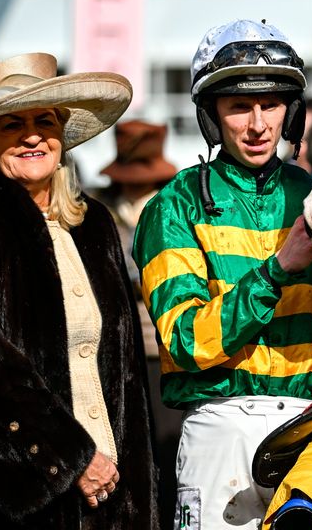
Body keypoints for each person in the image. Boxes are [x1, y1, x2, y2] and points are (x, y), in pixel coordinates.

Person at [132, 19, 312, 530]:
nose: (257, 125)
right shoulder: (175, 207)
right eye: (238, 107)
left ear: (290, 112)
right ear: (212, 116)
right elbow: (185, 341)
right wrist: (277, 272)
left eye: (270, 105)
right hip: (220, 433)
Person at [0, 52, 158, 528]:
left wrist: (140, 490)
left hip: (113, 496)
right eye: (12, 124)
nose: (33, 135)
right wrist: (72, 459)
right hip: (14, 496)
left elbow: (126, 377)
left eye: (45, 120)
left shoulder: (93, 225)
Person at [96, 120, 180, 528]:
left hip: (164, 348)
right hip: (117, 351)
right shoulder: (99, 213)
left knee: (169, 449)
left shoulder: (171, 207)